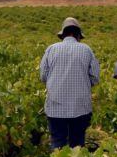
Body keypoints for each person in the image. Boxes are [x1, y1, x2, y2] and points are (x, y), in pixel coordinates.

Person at [40, 17, 100, 149]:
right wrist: (82, 83)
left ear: (63, 34)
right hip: (81, 107)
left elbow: (43, 76)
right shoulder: (86, 49)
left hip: (55, 107)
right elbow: (95, 78)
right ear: (78, 35)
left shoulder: (51, 49)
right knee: (77, 144)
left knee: (57, 143)